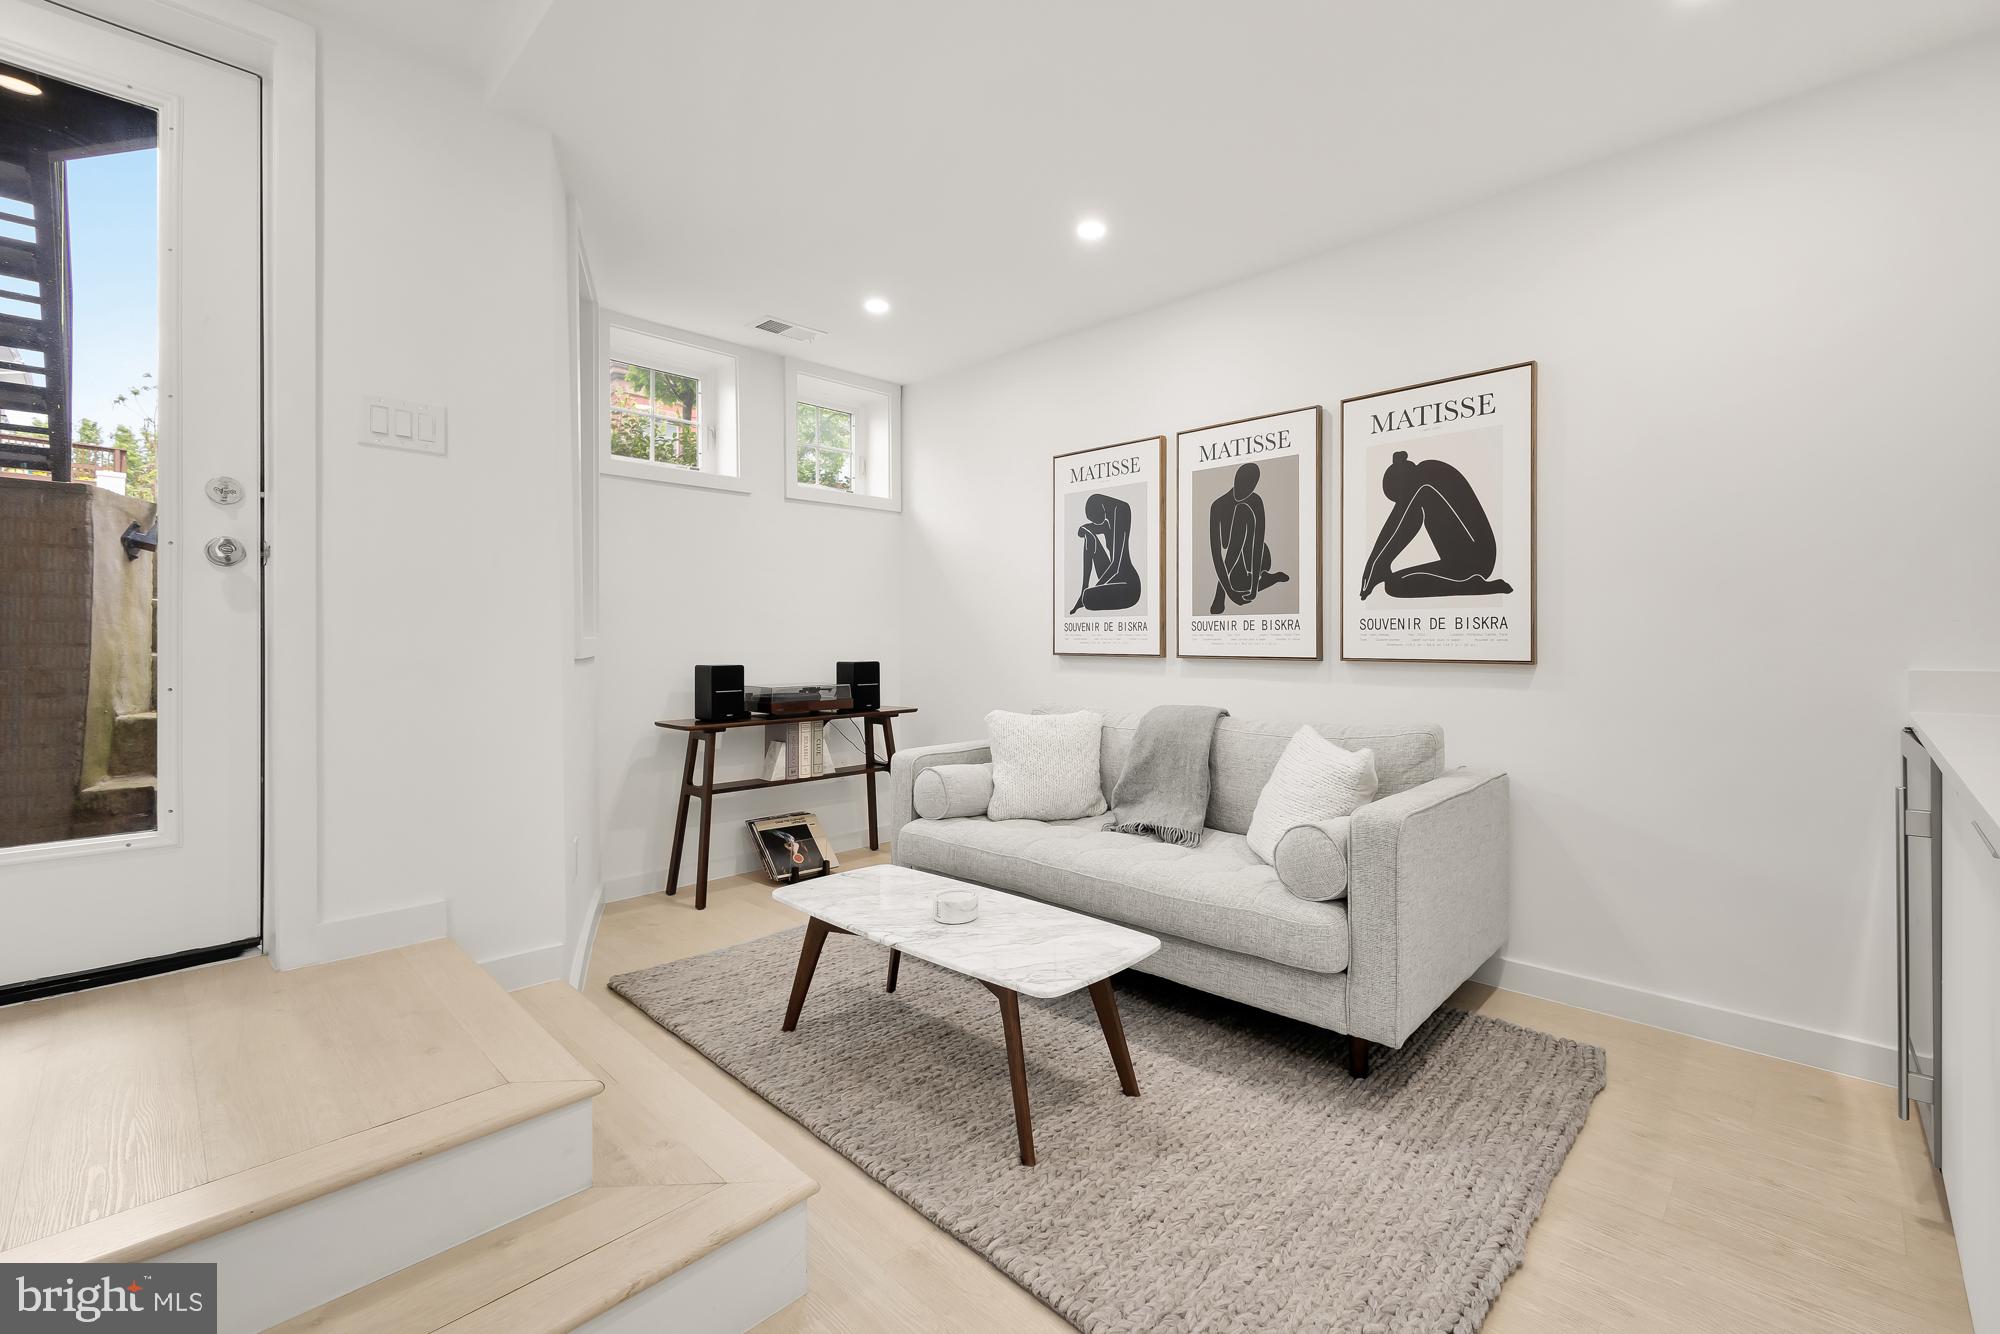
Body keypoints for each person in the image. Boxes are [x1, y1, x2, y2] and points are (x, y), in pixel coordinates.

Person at [1358, 450, 1513, 600]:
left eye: (1400, 499)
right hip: (1460, 561)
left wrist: (1375, 563)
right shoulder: (1427, 483)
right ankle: (1468, 584)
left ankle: (1472, 584)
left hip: (1477, 559)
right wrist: (1378, 563)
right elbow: (1406, 519)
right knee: (1394, 584)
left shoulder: (1426, 476)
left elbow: (1403, 519)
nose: (1402, 504)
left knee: (1391, 581)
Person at [1207, 461, 1289, 615]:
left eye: (1251, 487)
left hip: (1257, 560)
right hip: (1233, 567)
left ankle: (1255, 579)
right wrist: (1230, 592)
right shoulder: (1218, 506)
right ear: (1235, 481)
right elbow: (1216, 554)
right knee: (1239, 585)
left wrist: (1253, 589)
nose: (1246, 491)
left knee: (1243, 510)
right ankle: (1269, 578)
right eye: (1243, 485)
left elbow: (1258, 544)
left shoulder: (1255, 501)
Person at [1067, 492, 1141, 614]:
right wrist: (1084, 530)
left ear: (1101, 508)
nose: (1096, 523)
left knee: (1088, 598)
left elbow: (1116, 565)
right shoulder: (1107, 520)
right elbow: (1087, 530)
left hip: (1128, 586)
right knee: (1089, 537)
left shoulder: (1122, 510)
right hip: (1113, 578)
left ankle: (1084, 595)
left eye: (1095, 519)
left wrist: (1096, 586)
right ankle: (1083, 591)